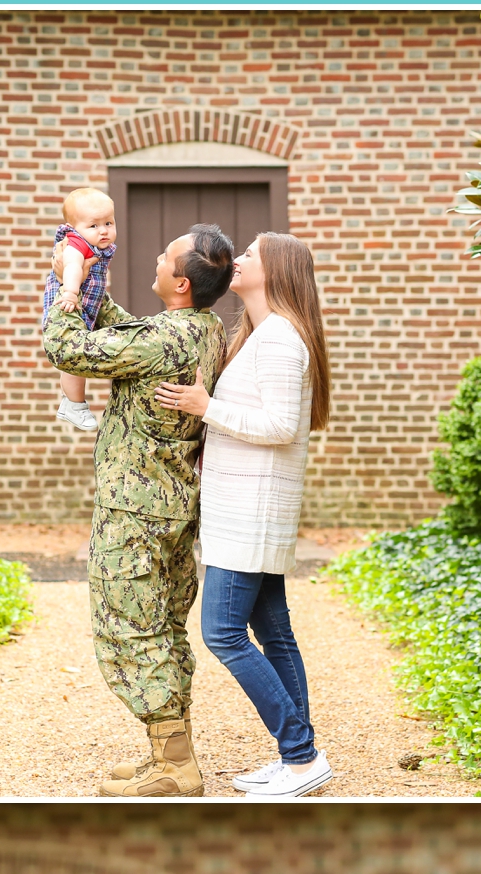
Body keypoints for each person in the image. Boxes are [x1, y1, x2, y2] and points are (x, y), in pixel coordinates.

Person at [42, 224, 233, 798]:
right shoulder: (204, 329)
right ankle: (168, 752)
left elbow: (65, 349)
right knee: (164, 626)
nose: (153, 257)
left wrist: (66, 290)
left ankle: (176, 765)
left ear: (179, 282)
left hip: (135, 509)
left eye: (164, 256)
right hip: (173, 504)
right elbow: (132, 334)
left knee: (127, 629)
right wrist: (93, 281)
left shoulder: (164, 339)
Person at [154, 234, 332, 801]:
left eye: (251, 254)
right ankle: (300, 758)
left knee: (223, 633)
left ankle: (300, 757)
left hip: (251, 512)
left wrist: (206, 408)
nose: (239, 260)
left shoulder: (280, 339)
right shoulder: (261, 335)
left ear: (275, 270)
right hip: (244, 508)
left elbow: (281, 427)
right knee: (274, 633)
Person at [42, 187, 118, 432]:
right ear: (75, 228)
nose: (104, 230)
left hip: (84, 305)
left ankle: (71, 403)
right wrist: (70, 292)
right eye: (94, 225)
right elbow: (72, 267)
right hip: (70, 301)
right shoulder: (76, 244)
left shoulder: (93, 244)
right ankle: (75, 405)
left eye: (108, 222)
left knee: (77, 356)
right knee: (75, 354)